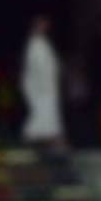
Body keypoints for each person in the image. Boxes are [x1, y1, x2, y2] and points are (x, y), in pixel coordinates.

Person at [21, 16, 65, 146]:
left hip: (48, 86)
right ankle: (31, 136)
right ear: (36, 25)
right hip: (41, 87)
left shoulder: (43, 42)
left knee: (50, 113)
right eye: (42, 24)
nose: (45, 27)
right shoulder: (35, 43)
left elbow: (51, 63)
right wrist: (42, 84)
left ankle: (52, 139)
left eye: (46, 25)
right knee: (42, 112)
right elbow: (36, 66)